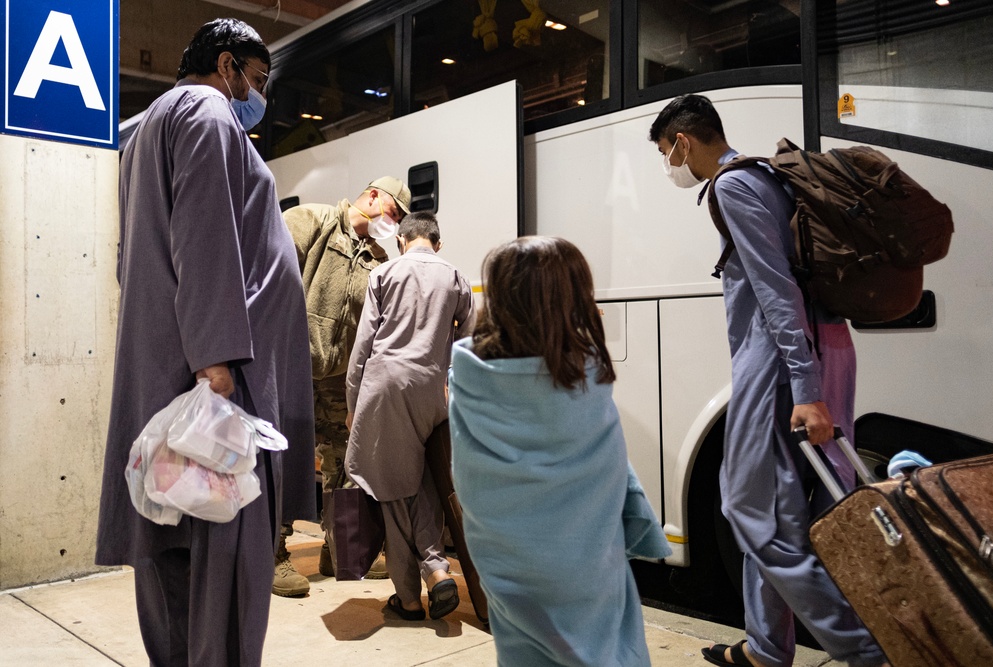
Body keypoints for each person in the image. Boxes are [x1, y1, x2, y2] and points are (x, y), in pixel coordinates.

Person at [95, 18, 315, 666]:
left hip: (168, 380)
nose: (257, 97)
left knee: (172, 561)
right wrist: (214, 366)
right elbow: (207, 239)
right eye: (256, 80)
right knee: (225, 571)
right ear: (227, 67)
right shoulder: (208, 113)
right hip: (217, 395)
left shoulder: (145, 132)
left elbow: (132, 259)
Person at [648, 94, 887, 667]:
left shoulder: (731, 186)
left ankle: (873, 652)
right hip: (826, 346)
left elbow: (776, 291)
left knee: (754, 513)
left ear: (683, 141)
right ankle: (764, 648)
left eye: (665, 152)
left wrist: (805, 389)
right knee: (774, 512)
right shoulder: (770, 178)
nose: (669, 167)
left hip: (781, 362)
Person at [448, 236, 671, 665]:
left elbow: (469, 475)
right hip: (586, 564)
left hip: (504, 563)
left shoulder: (470, 374)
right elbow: (609, 467)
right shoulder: (587, 370)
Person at [275, 176, 410, 595]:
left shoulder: (378, 256)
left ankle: (342, 550)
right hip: (291, 366)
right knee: (284, 460)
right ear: (372, 196)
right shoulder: (310, 219)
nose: (396, 223)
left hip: (339, 378)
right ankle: (274, 554)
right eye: (394, 213)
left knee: (344, 462)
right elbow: (267, 274)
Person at [344, 211, 475, 621]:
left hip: (386, 389)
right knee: (424, 486)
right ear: (437, 242)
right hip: (434, 393)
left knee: (394, 494)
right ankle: (436, 571)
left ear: (402, 240)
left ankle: (410, 596)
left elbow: (363, 348)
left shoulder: (383, 274)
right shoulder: (455, 277)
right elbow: (469, 345)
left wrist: (353, 406)